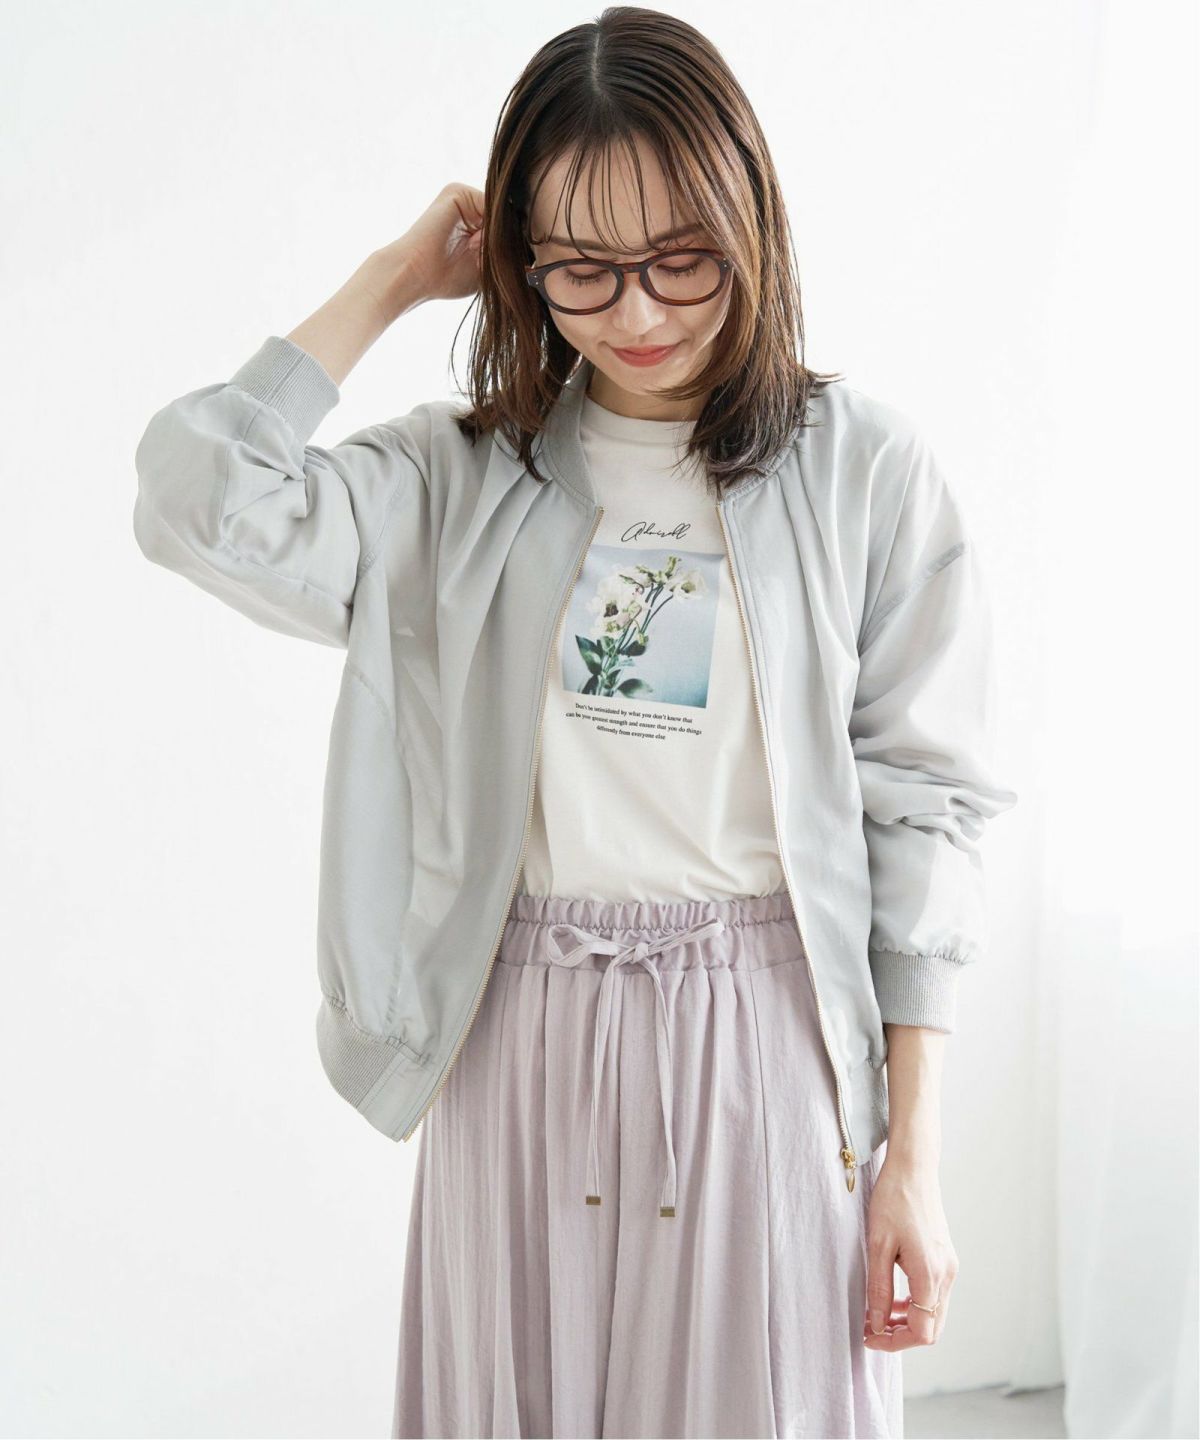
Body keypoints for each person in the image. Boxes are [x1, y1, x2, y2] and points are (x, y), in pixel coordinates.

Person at [133, 8, 1017, 1438]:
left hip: (762, 1036)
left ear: (750, 225)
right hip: (518, 1036)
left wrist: (910, 1157)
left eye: (682, 258)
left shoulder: (864, 471)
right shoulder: (456, 479)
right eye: (583, 270)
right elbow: (199, 500)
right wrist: (388, 282)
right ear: (522, 263)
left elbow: (925, 814)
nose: (639, 312)